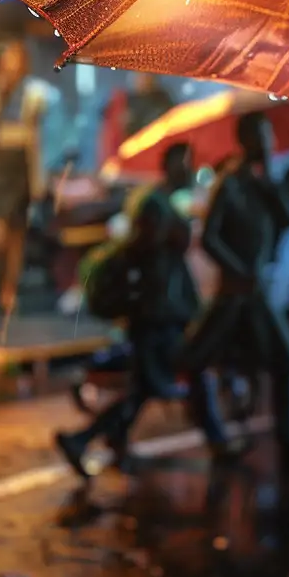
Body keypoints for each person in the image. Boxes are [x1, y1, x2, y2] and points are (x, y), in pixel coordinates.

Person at [181, 110, 289, 480]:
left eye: (269, 136)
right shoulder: (231, 182)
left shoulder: (262, 182)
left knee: (282, 364)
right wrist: (240, 270)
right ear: (245, 141)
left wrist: (270, 178)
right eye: (260, 136)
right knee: (193, 360)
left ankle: (287, 448)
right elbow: (210, 237)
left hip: (255, 295)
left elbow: (288, 220)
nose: (268, 144)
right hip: (235, 294)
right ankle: (218, 436)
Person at [57, 140, 202, 477]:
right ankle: (81, 439)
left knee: (145, 387)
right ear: (168, 167)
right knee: (151, 386)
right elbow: (145, 254)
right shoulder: (154, 204)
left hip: (160, 311)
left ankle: (108, 440)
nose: (189, 170)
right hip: (154, 314)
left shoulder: (162, 203)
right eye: (184, 163)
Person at [0, 39, 58, 326]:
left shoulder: (34, 93)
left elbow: (35, 140)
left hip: (19, 167)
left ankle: (9, 292)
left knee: (16, 235)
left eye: (17, 59)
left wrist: (38, 180)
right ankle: (1, 285)